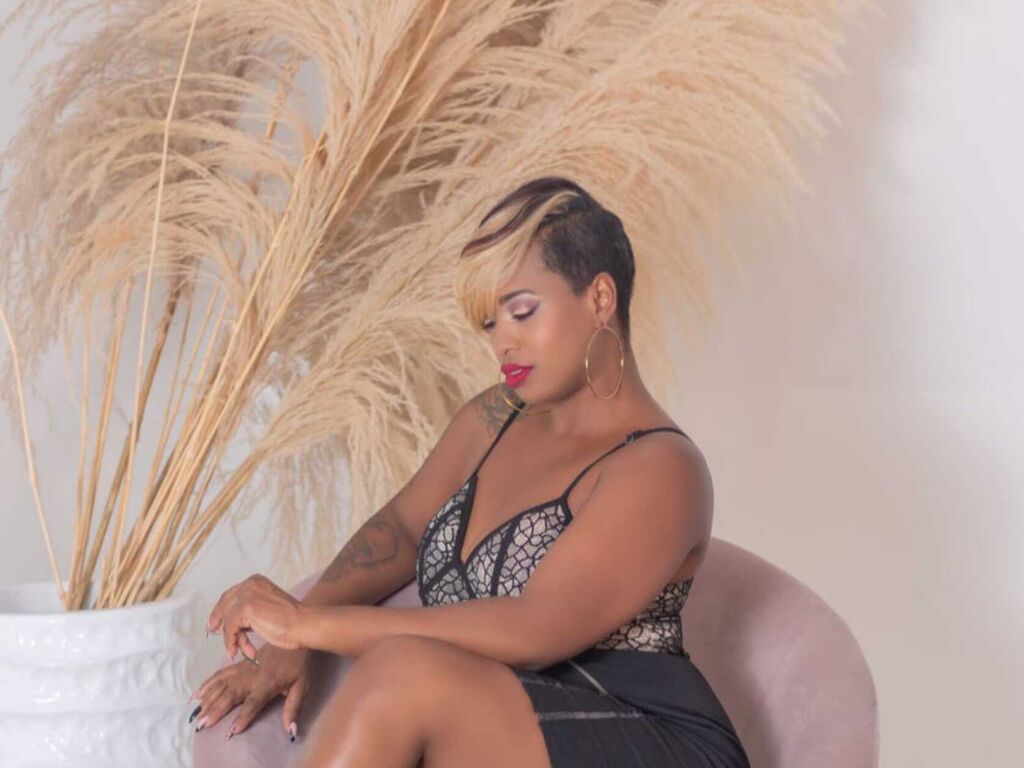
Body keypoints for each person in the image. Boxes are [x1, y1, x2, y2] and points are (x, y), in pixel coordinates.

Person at [192, 177, 750, 767]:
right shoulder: (493, 418)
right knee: (404, 670)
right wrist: (290, 643)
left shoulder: (661, 468)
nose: (502, 342)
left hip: (644, 736)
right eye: (488, 322)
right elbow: (403, 529)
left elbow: (533, 631)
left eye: (522, 311)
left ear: (600, 298)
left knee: (403, 673)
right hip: (498, 728)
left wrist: (307, 624)